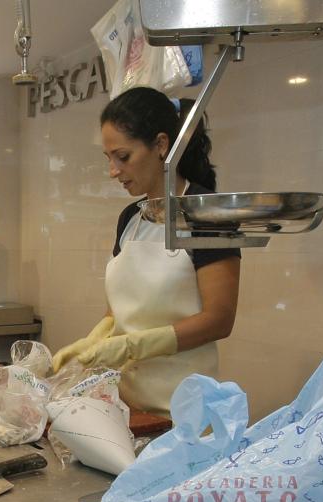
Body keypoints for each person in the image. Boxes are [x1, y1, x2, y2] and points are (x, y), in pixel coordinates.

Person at [52, 86, 241, 416]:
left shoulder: (208, 215)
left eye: (122, 157)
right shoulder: (130, 218)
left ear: (161, 145)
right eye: (108, 159)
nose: (113, 171)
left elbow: (219, 320)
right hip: (129, 408)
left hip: (185, 415)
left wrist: (133, 345)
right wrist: (93, 341)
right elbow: (118, 313)